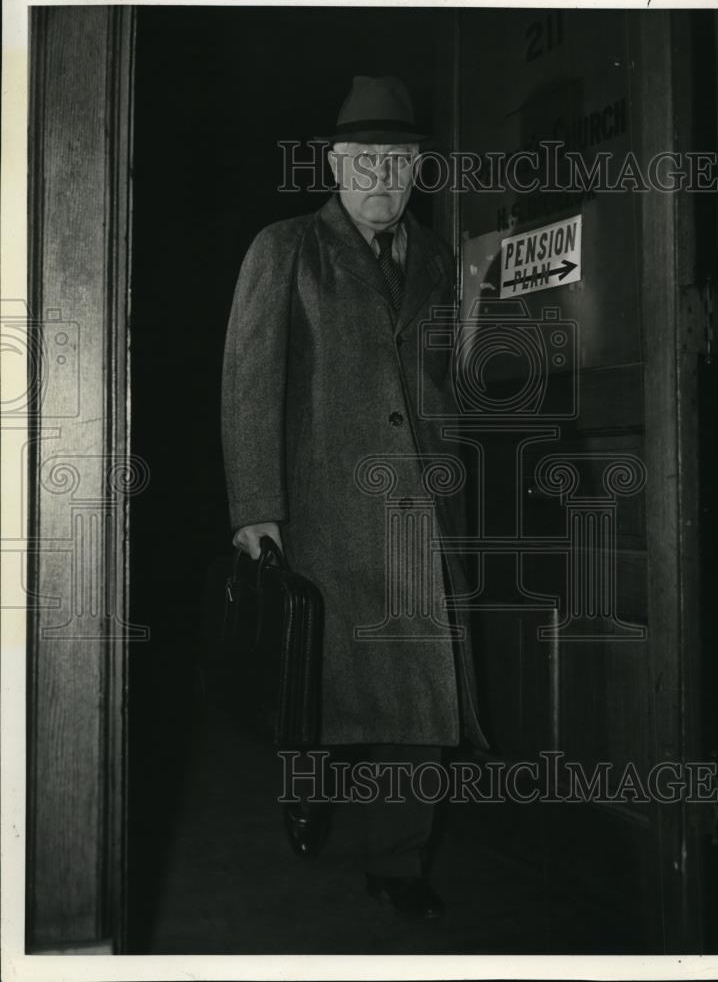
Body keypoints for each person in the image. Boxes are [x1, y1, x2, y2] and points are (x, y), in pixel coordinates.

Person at [221, 75, 487, 921]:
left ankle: (397, 859)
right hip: (325, 510)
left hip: (417, 511)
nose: (382, 175)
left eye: (399, 161)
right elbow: (248, 383)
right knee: (318, 685)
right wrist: (255, 508)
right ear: (333, 165)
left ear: (417, 172)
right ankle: (308, 782)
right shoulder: (285, 247)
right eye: (364, 158)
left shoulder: (439, 258)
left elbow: (442, 378)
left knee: (417, 693)